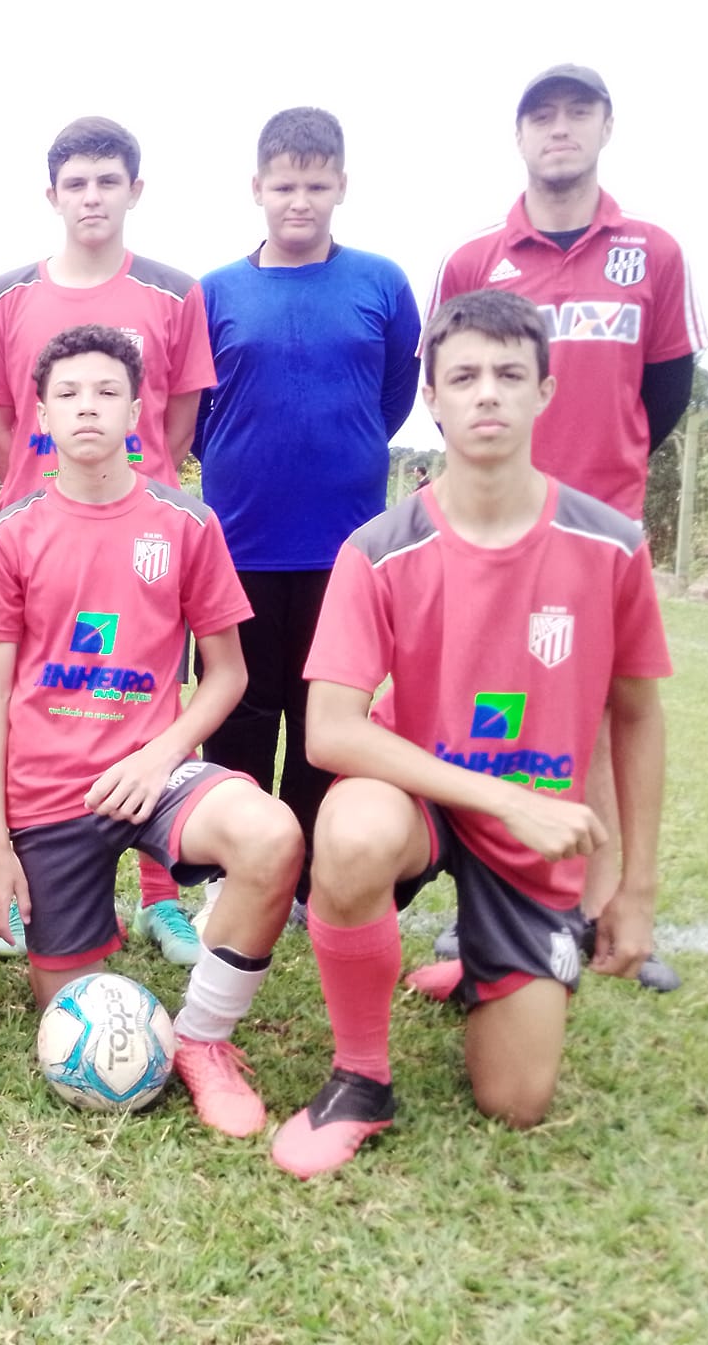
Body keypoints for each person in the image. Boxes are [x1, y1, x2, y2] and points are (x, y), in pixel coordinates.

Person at [271, 290, 670, 1178]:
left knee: (516, 1104)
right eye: (464, 377)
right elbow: (332, 732)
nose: (486, 393)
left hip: (532, 838)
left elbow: (637, 714)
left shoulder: (611, 546)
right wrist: (507, 799)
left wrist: (633, 887)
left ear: (545, 391)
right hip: (427, 801)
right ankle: (360, 1077)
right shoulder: (379, 546)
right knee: (351, 828)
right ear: (433, 400)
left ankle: (487, 964)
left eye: (507, 374)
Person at [0, 324, 303, 1136]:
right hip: (49, 796)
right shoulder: (12, 533)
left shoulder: (186, 525)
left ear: (138, 409)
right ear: (39, 415)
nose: (88, 407)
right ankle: (85, 916)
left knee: (273, 834)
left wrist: (159, 754)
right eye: (68, 394)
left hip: (157, 777)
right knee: (71, 1008)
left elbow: (229, 674)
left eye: (106, 391)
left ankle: (204, 1040)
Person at [429, 65, 703, 993]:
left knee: (593, 719)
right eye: (541, 116)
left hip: (598, 526)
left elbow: (665, 392)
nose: (559, 131)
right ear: (519, 137)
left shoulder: (652, 253)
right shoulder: (476, 260)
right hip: (488, 524)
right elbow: (450, 375)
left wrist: (595, 476)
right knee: (489, 715)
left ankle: (606, 907)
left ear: (604, 128)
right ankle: (484, 908)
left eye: (576, 114)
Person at [0, 115, 217, 962]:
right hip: (43, 529)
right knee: (47, 700)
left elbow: (177, 418)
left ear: (134, 191)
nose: (93, 197)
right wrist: (45, 490)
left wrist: (137, 492)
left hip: (142, 530)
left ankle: (162, 897)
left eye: (109, 181)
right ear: (52, 195)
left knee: (151, 697)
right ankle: (42, 879)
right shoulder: (5, 296)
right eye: (77, 182)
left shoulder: (175, 293)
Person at [193, 107, 421, 916]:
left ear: (342, 187)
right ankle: (237, 868)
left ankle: (311, 875)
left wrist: (340, 447)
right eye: (284, 184)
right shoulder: (216, 291)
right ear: (257, 187)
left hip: (344, 544)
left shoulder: (382, 284)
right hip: (241, 540)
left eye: (316, 184)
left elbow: (391, 399)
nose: (300, 200)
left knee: (325, 710)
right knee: (243, 704)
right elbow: (196, 414)